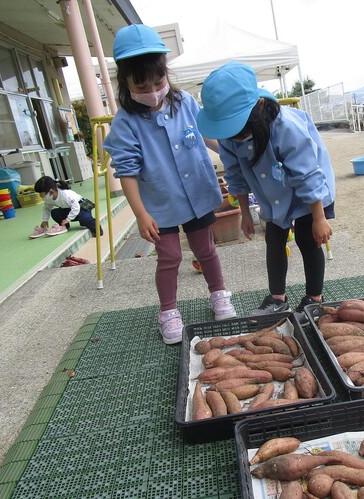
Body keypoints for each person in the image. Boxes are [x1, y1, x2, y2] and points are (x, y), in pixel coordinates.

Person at [102, 24, 237, 344]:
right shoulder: (125, 123)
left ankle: (219, 293)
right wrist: (139, 213)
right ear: (125, 80)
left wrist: (232, 157)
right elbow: (127, 172)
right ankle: (168, 311)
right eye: (141, 83)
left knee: (206, 249)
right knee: (170, 257)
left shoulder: (185, 102)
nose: (152, 89)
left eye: (158, 81)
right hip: (158, 205)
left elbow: (208, 136)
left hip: (198, 194)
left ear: (166, 74)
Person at [197, 61, 336, 316]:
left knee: (309, 240)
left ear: (259, 107)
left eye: (240, 128)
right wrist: (246, 214)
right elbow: (235, 173)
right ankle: (277, 298)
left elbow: (306, 173)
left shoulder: (286, 128)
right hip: (273, 195)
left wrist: (319, 217)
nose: (236, 136)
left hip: (310, 195)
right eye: (228, 130)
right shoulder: (229, 137)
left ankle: (314, 298)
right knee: (273, 240)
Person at [28, 176, 101, 239]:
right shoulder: (48, 198)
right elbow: (46, 208)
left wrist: (67, 219)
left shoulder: (66, 195)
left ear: (51, 191)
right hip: (67, 209)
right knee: (54, 212)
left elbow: (76, 207)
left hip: (81, 207)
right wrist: (45, 220)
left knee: (85, 220)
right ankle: (64, 226)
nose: (41, 196)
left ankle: (98, 230)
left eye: (42, 194)